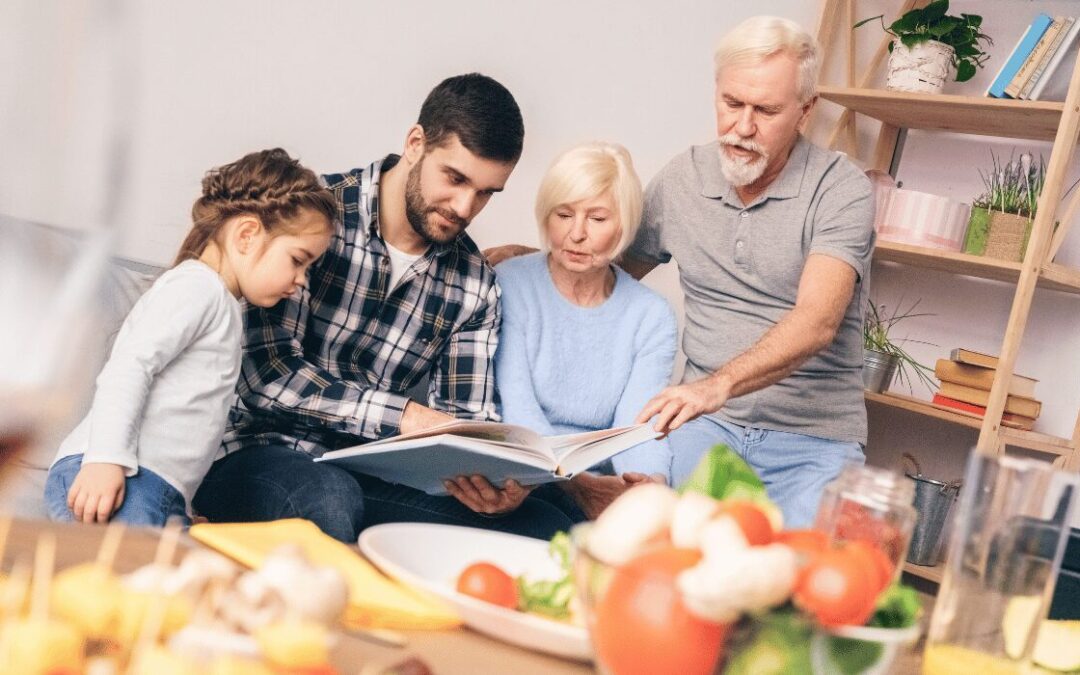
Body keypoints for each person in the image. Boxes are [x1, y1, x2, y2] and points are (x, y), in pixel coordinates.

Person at [193, 74, 577, 543]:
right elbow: (267, 377)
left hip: (369, 474)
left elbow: (462, 418)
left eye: (485, 192)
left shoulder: (475, 283)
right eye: (455, 178)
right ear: (416, 143)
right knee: (329, 498)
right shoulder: (313, 216)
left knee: (547, 527)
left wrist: (490, 478)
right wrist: (406, 417)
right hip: (257, 452)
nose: (464, 206)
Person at [626, 16, 875, 528]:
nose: (742, 127)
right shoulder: (681, 179)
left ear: (805, 111)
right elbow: (613, 277)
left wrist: (716, 386)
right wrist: (534, 263)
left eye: (766, 110)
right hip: (706, 427)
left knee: (800, 591)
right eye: (731, 103)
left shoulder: (841, 189)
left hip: (814, 441)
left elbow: (817, 322)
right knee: (676, 556)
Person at [44, 148, 335, 526]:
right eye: (298, 260)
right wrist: (106, 459)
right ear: (247, 235)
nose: (300, 281)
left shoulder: (224, 303)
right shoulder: (197, 287)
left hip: (153, 485)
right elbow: (130, 365)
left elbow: (186, 424)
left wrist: (178, 502)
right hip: (120, 471)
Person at [477, 142, 677, 521]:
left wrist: (648, 485)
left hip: (599, 480)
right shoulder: (509, 285)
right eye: (563, 215)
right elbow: (519, 412)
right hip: (522, 472)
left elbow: (637, 427)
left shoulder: (651, 316)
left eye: (598, 219)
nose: (577, 234)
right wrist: (578, 484)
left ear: (625, 224)